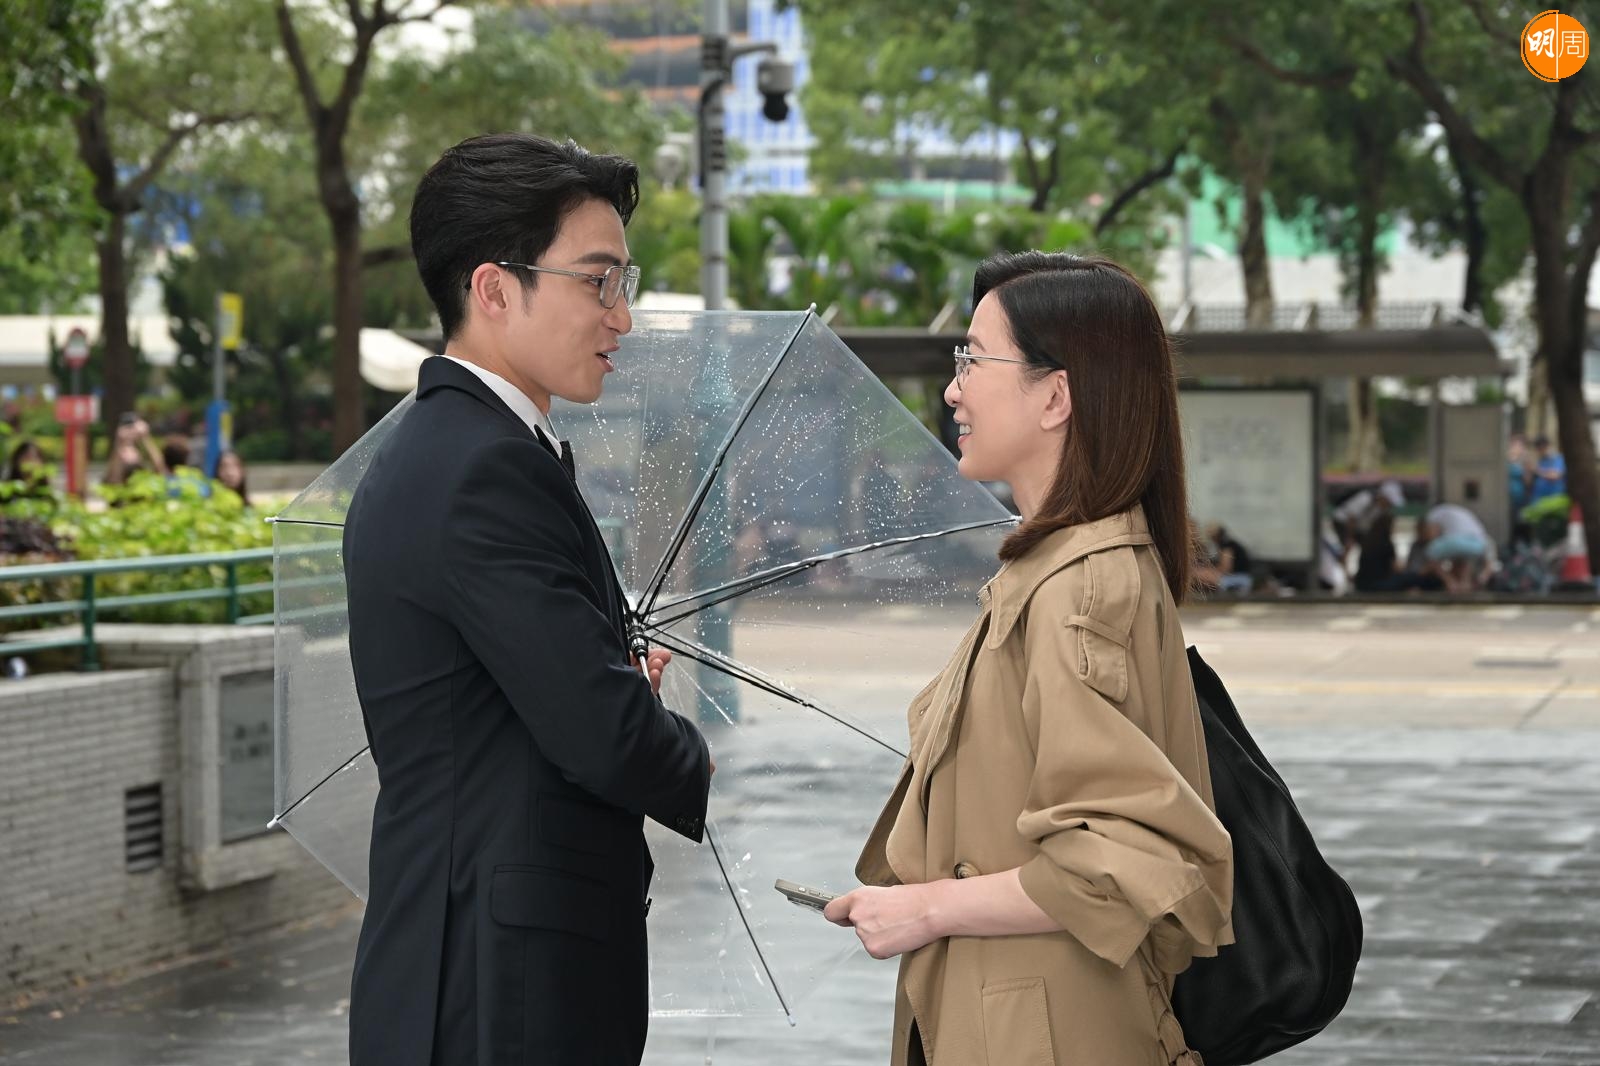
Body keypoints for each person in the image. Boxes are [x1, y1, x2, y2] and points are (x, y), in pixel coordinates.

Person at [342, 134, 713, 1066]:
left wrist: (605, 677)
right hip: (498, 989)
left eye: (623, 281)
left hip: (480, 965)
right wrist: (674, 741)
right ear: (494, 289)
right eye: (597, 281)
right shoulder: (485, 469)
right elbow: (605, 736)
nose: (621, 316)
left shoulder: (463, 449)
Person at [824, 252, 1233, 1066]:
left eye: (974, 359)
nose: (953, 390)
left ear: (1056, 396)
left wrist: (928, 908)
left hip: (1050, 1030)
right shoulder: (1051, 572)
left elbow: (1121, 861)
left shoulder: (1081, 587)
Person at [1417, 501, 1495, 592]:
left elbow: (1432, 535)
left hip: (1458, 542)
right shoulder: (1461, 512)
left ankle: (1450, 582)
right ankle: (1464, 584)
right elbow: (1489, 565)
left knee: (1431, 552)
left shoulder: (1433, 513)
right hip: (1478, 545)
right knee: (1462, 559)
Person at [102, 414, 167, 486]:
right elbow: (113, 477)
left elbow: (160, 468)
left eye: (132, 449)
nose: (128, 452)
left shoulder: (146, 481)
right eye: (124, 451)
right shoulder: (116, 483)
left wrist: (145, 437)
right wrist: (120, 442)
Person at [1204, 522, 1254, 593]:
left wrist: (1209, 571)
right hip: (1242, 577)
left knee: (1201, 575)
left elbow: (1225, 569)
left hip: (1238, 578)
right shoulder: (1229, 544)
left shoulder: (1227, 546)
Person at [1529, 435, 1566, 503]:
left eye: (1541, 448)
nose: (1540, 451)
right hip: (1539, 499)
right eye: (1538, 449)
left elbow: (1555, 475)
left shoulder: (1559, 459)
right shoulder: (1541, 461)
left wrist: (1536, 470)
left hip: (1554, 499)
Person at [1507, 432, 1530, 514]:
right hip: (1506, 495)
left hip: (1520, 495)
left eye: (1520, 446)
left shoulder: (1523, 461)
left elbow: (1527, 481)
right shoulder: (1505, 460)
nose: (1518, 448)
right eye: (1515, 445)